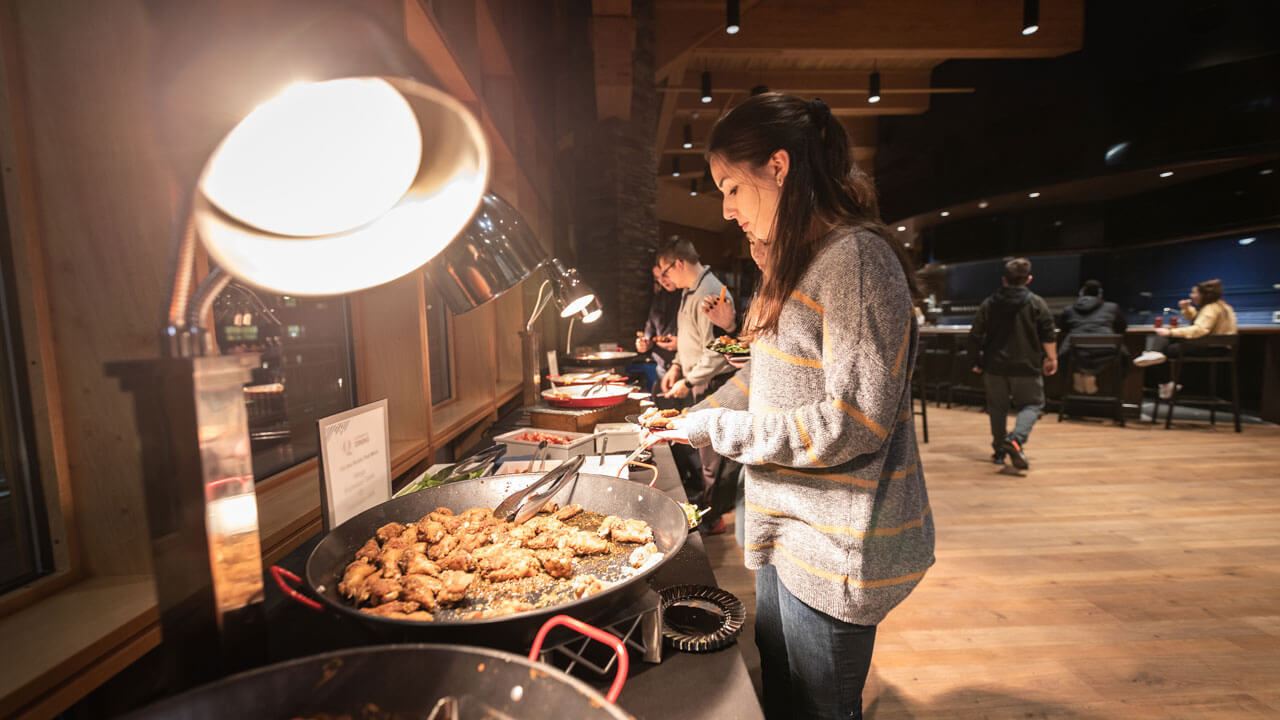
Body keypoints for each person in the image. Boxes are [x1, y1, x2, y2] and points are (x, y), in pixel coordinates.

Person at [658, 93, 935, 720]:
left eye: (731, 187)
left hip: (834, 540)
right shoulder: (793, 259)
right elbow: (767, 379)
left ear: (778, 168)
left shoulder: (855, 260)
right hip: (787, 525)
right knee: (779, 696)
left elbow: (855, 421)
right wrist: (690, 421)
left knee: (818, 708)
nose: (725, 208)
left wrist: (717, 427)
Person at [655, 236, 736, 532]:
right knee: (700, 453)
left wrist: (689, 381)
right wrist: (676, 366)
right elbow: (689, 340)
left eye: (666, 271)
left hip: (711, 383)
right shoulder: (689, 291)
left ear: (678, 263)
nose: (665, 278)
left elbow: (719, 351)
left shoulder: (711, 291)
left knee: (712, 458)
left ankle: (713, 521)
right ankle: (705, 508)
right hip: (694, 379)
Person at [966, 257, 1057, 470]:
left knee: (997, 408)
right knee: (1033, 404)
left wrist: (974, 360)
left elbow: (975, 335)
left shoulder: (989, 303)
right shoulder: (1036, 303)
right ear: (1029, 279)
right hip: (1027, 366)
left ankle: (999, 452)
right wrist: (1052, 358)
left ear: (1004, 279)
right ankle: (1016, 439)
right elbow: (1048, 333)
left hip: (994, 366)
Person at [1133, 278, 1238, 399]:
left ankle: (1163, 377)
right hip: (1221, 348)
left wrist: (1171, 332)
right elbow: (1198, 320)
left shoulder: (1210, 308)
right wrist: (1186, 309)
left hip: (1211, 348)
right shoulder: (1223, 306)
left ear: (1203, 295)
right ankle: (1155, 356)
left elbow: (1200, 329)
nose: (1191, 296)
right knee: (1165, 343)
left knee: (1166, 348)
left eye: (1194, 293)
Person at [1057, 279, 1127, 394]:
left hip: (1076, 353)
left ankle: (1081, 372)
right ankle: (1093, 375)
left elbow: (1062, 328)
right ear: (1100, 293)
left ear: (1082, 292)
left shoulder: (1069, 309)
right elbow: (1121, 328)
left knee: (1064, 356)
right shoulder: (1113, 307)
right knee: (1125, 357)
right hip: (1107, 352)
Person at [635, 263, 680, 397]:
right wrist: (644, 343)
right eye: (657, 278)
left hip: (685, 367)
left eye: (664, 275)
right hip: (661, 366)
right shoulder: (658, 297)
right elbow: (650, 330)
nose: (661, 281)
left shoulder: (687, 295)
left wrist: (682, 344)